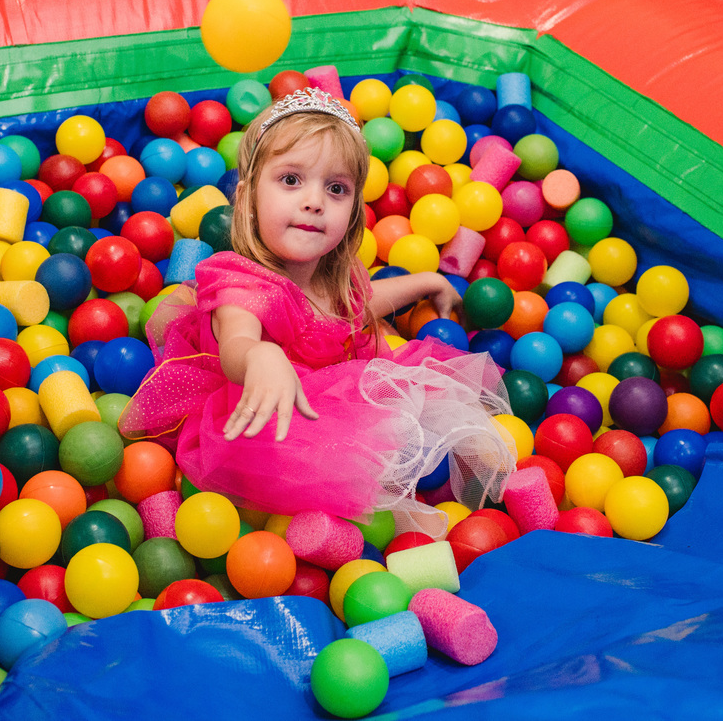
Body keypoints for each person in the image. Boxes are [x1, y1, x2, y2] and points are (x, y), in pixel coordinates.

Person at [119, 87, 515, 537]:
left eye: (336, 188)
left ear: (353, 211)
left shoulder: (334, 275)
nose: (314, 201)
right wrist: (259, 358)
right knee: (348, 473)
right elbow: (237, 339)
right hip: (271, 420)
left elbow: (356, 308)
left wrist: (427, 282)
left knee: (434, 416)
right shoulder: (243, 282)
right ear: (248, 197)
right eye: (291, 180)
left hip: (338, 398)